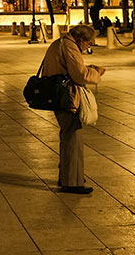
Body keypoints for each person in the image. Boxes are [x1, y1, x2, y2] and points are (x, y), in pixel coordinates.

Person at [40, 24, 106, 194]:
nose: (89, 47)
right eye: (89, 43)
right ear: (81, 39)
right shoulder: (70, 46)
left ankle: (68, 176)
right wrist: (96, 72)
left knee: (68, 133)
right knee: (73, 135)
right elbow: (79, 74)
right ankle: (72, 182)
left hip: (57, 93)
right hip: (67, 96)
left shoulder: (60, 43)